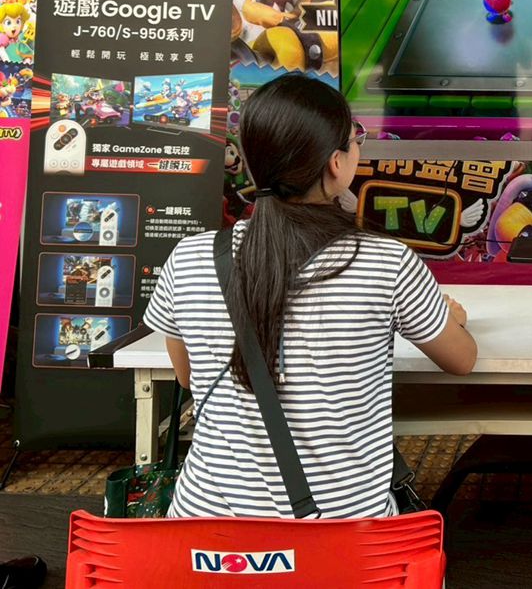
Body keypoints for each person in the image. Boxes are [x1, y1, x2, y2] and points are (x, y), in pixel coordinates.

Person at [143, 74, 477, 518]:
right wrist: (451, 319)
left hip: (206, 535)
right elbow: (461, 360)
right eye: (355, 138)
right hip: (346, 534)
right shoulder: (386, 261)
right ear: (336, 163)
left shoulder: (190, 256)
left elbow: (187, 376)